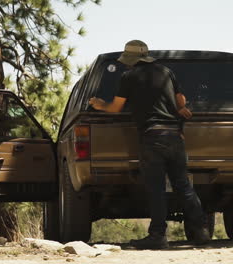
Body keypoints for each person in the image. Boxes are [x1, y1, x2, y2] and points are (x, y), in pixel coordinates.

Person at [89, 40, 210, 249]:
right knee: (183, 185)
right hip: (175, 135)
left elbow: (116, 108)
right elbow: (181, 100)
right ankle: (201, 230)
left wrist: (100, 104)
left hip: (152, 137)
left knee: (156, 189)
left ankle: (158, 236)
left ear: (132, 59)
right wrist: (179, 109)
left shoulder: (129, 76)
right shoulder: (166, 71)